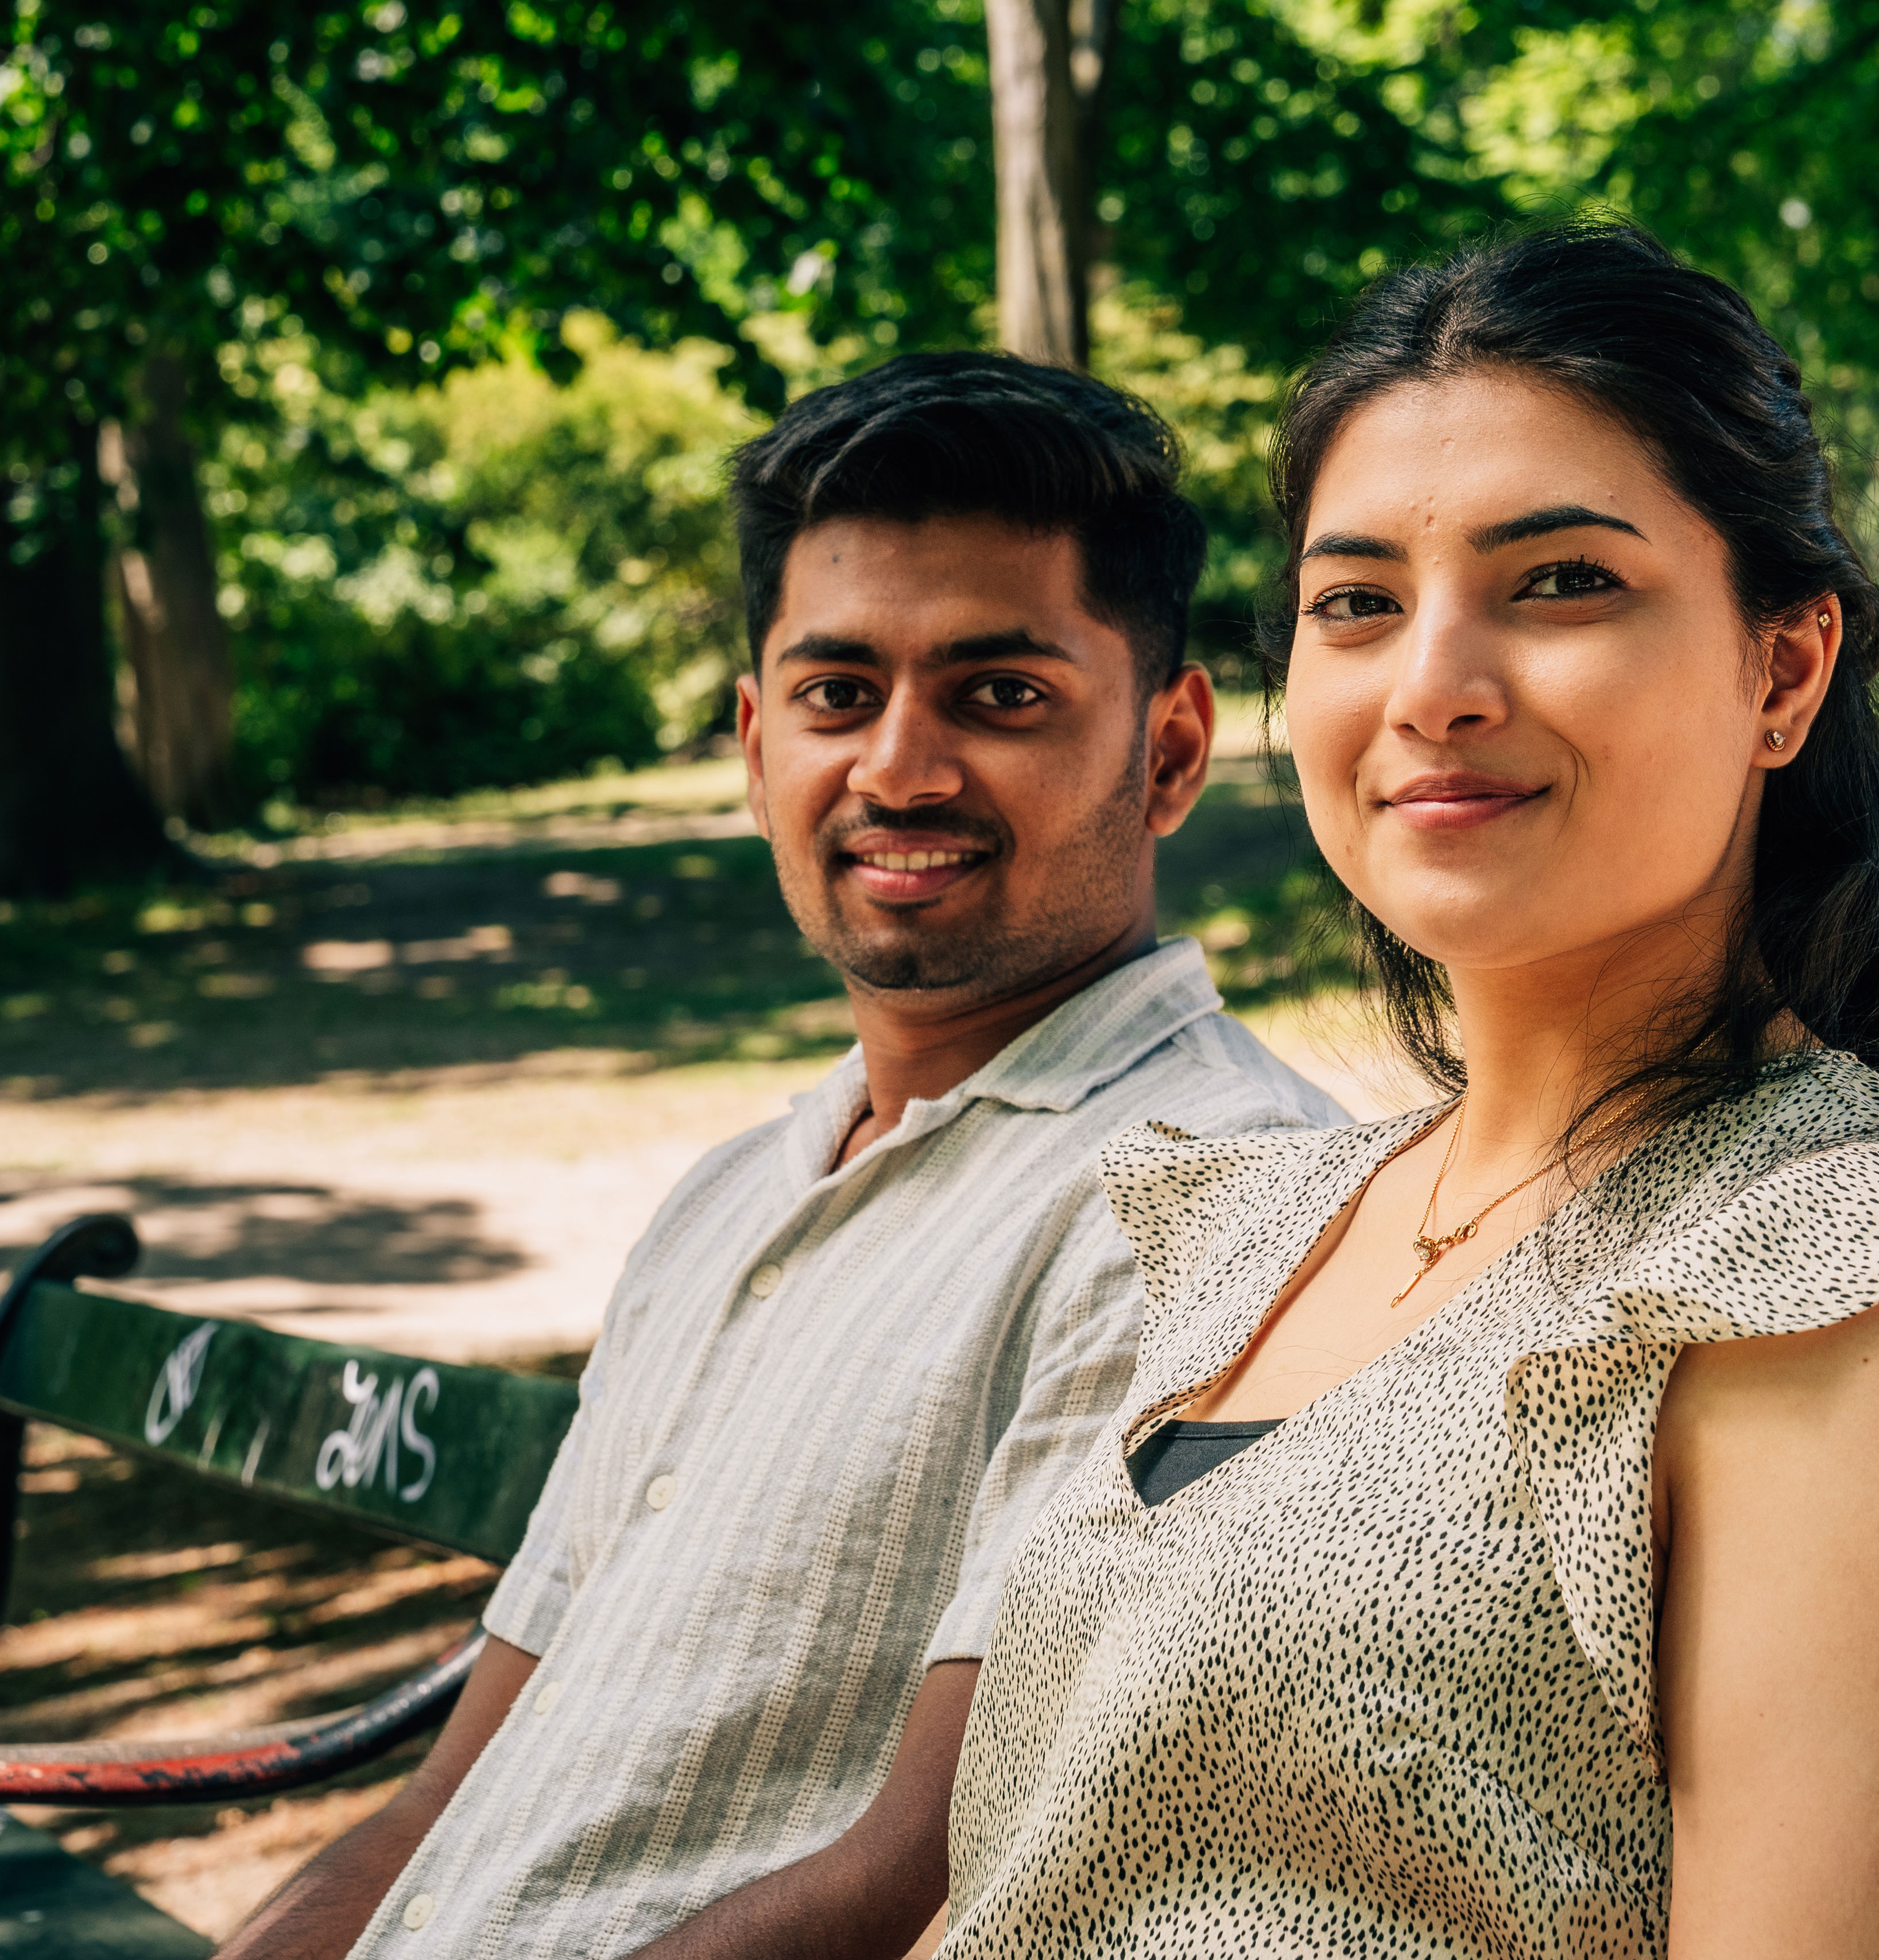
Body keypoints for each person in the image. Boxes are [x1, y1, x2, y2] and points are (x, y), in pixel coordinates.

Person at [939, 224, 1879, 1959]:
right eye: (1357, 604)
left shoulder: (1841, 1290)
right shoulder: (1265, 1227)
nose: (1433, 688)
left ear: (1782, 670)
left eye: (1561, 582)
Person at [215, 354, 1345, 1960]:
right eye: (837, 696)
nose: (898, 769)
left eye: (1001, 694)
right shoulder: (730, 1198)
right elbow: (445, 1806)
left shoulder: (1215, 1195)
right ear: (757, 745)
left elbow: (944, 1870)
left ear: (1168, 753)